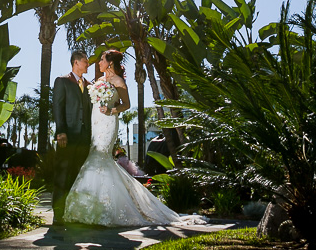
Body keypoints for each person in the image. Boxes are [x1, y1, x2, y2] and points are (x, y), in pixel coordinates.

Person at [64, 49, 205, 227]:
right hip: (95, 123)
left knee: (100, 157)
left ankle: (103, 208)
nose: (98, 63)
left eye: (101, 59)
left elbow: (126, 105)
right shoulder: (98, 81)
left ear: (110, 63)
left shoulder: (118, 81)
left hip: (108, 124)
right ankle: (90, 205)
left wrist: (111, 110)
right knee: (94, 157)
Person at [51, 50, 92, 225]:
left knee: (77, 174)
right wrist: (61, 131)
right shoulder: (62, 81)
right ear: (76, 62)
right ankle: (58, 213)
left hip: (83, 138)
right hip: (66, 136)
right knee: (63, 173)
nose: (87, 64)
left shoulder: (89, 85)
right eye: (85, 61)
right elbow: (57, 107)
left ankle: (72, 211)